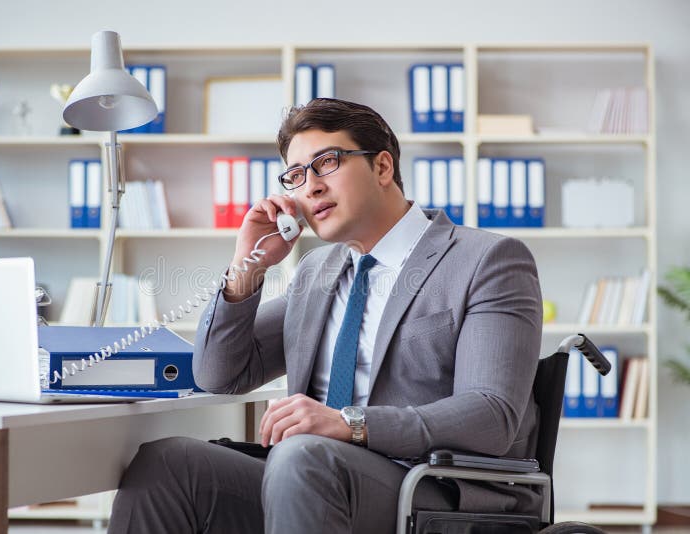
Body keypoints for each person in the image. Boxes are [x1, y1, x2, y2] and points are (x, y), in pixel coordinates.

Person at [108, 98, 543, 534]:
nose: (310, 187)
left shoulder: (486, 259)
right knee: (165, 463)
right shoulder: (318, 271)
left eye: (327, 163)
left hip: (429, 485)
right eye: (296, 175)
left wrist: (350, 424)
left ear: (383, 167)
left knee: (302, 456)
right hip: (306, 476)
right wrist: (248, 266)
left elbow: (492, 415)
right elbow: (217, 374)